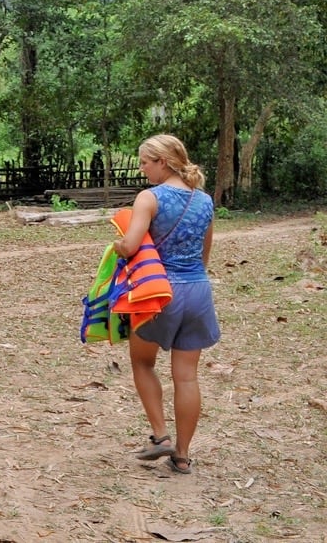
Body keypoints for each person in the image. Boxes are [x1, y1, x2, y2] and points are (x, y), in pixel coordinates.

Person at [112, 134, 219, 475]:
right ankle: (183, 456)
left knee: (142, 363)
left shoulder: (149, 198)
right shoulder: (204, 200)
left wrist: (116, 246)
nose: (142, 169)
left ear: (163, 162)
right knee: (187, 377)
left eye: (145, 162)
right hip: (198, 290)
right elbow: (205, 255)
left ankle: (160, 437)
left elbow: (130, 246)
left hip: (158, 291)